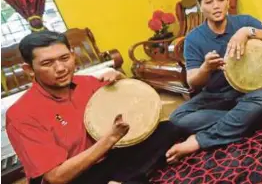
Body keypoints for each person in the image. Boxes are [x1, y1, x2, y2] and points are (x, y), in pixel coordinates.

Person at [6, 31, 181, 184]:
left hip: (106, 158)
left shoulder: (88, 83)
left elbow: (132, 102)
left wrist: (120, 79)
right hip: (73, 176)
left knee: (169, 129)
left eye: (65, 58)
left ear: (73, 55)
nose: (60, 68)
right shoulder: (21, 114)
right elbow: (56, 177)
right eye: (47, 63)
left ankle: (122, 178)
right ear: (29, 69)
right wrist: (111, 138)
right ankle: (131, 176)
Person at [166, 0, 262, 163]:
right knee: (176, 118)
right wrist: (206, 68)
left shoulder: (243, 21)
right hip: (215, 97)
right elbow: (192, 81)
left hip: (248, 94)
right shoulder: (193, 38)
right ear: (200, 6)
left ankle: (200, 140)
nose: (216, 6)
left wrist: (248, 32)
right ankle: (253, 119)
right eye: (208, 2)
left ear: (226, 1)